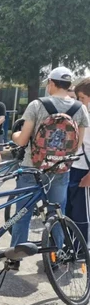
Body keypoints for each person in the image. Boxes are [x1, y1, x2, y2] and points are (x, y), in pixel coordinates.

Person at [11, 67, 89, 262]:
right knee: (57, 213)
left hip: (32, 167)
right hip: (61, 169)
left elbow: (22, 140)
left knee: (23, 212)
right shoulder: (80, 108)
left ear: (52, 83)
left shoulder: (37, 105)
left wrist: (14, 135)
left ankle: (16, 256)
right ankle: (55, 255)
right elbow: (77, 146)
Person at [66, 78, 90, 241]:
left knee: (82, 214)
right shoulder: (83, 113)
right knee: (70, 210)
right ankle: (70, 245)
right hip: (73, 167)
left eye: (82, 98)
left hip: (85, 171)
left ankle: (82, 248)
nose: (79, 101)